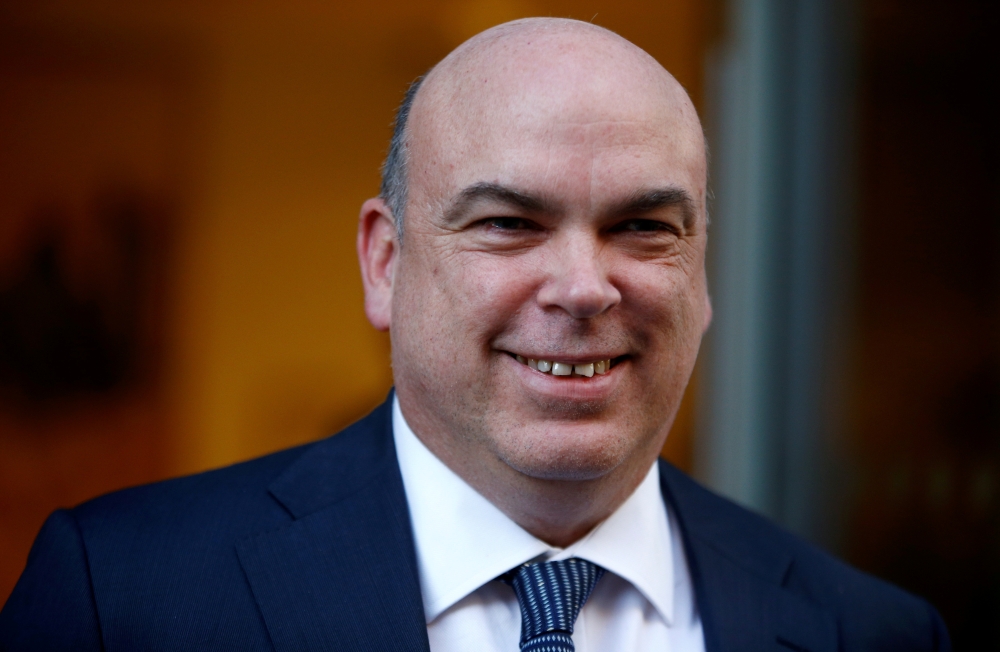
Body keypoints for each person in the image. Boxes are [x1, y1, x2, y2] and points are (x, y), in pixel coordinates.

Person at [0, 18, 949, 652]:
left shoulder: (869, 634)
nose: (584, 287)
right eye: (508, 223)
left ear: (702, 277)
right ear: (385, 261)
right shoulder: (119, 598)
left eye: (644, 228)